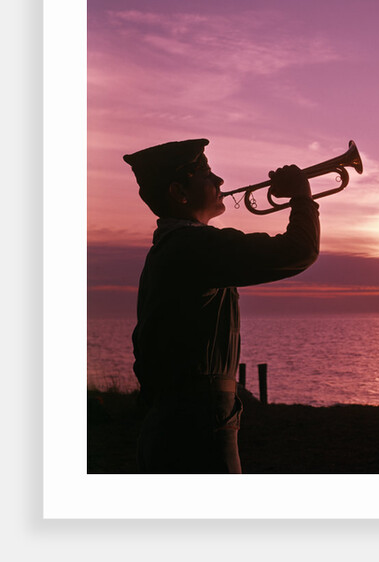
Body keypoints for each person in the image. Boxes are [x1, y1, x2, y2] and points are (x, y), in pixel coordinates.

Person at [124, 138, 320, 473]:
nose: (220, 182)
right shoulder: (192, 247)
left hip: (180, 423)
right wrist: (302, 197)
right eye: (206, 175)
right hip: (196, 428)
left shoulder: (173, 248)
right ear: (179, 193)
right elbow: (299, 250)